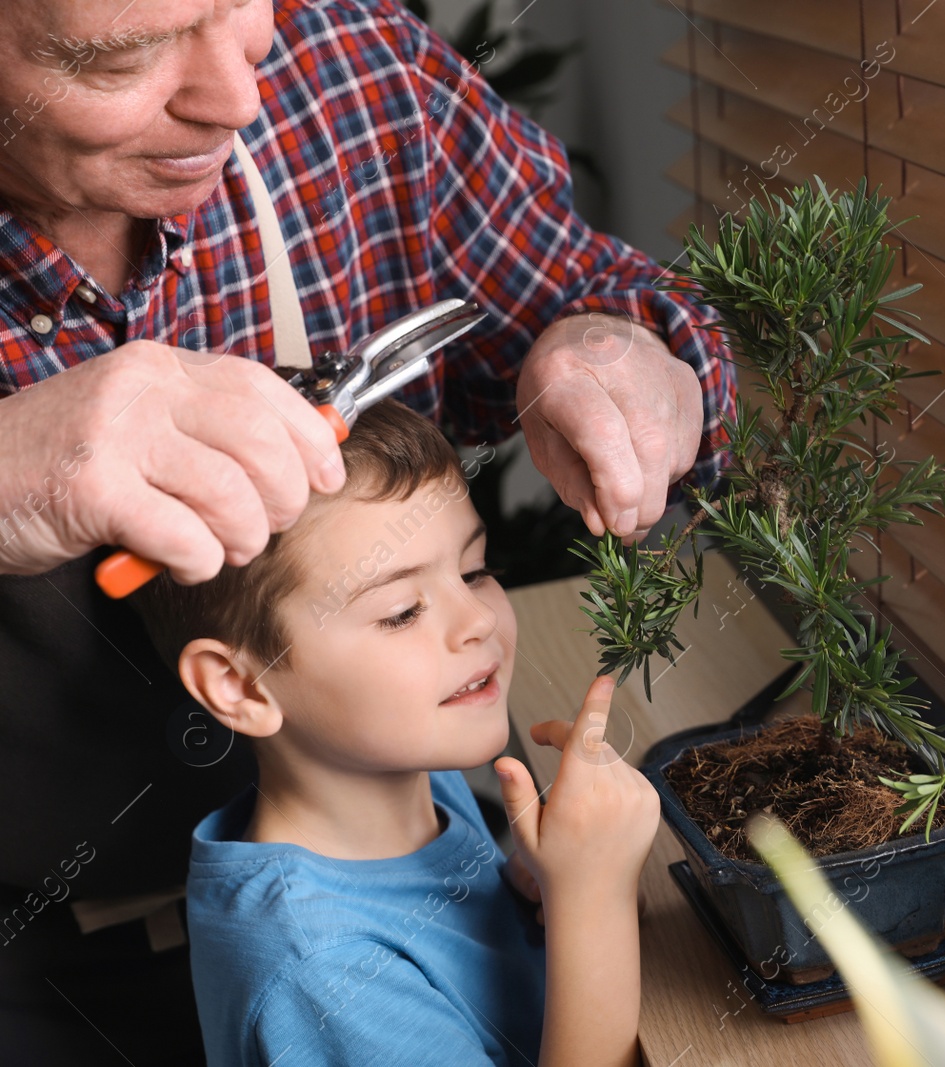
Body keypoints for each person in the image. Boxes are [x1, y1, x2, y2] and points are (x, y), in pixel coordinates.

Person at [0, 0, 733, 1061]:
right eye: (124, 56)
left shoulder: (352, 73)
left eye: (241, 14)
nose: (236, 100)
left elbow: (597, 290)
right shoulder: (317, 974)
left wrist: (617, 348)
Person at [127, 396, 658, 1066]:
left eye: (474, 570)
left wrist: (562, 889)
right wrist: (594, 901)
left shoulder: (406, 772)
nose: (477, 620)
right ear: (241, 686)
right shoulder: (325, 971)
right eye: (402, 611)